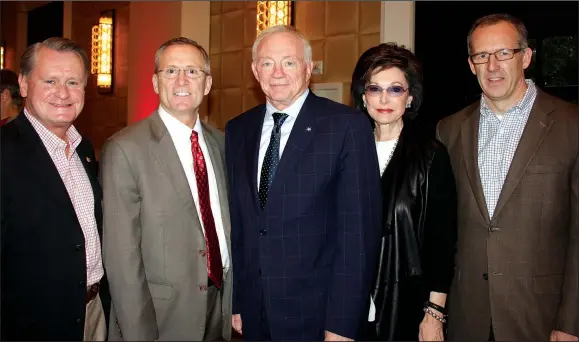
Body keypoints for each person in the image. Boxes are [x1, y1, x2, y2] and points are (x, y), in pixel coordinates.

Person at [225, 25, 383, 341]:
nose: (278, 73)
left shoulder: (346, 126)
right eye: (267, 63)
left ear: (308, 69)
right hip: (255, 313)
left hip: (317, 314)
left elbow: (359, 236)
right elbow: (242, 227)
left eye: (290, 62)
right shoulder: (238, 130)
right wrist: (239, 301)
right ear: (256, 71)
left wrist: (341, 324)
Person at [436, 13, 578, 341]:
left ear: (526, 57)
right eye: (482, 56)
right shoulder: (449, 129)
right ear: (471, 64)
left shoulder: (571, 125)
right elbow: (442, 230)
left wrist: (572, 321)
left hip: (540, 317)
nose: (492, 66)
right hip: (466, 316)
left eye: (504, 53)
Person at [100, 37, 232, 341]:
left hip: (218, 307)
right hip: (159, 317)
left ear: (208, 83)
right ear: (156, 83)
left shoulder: (222, 143)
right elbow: (122, 257)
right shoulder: (125, 148)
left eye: (193, 71)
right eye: (171, 71)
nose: (182, 80)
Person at [1, 37, 110, 341]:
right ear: (23, 85)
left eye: (73, 82)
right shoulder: (4, 152)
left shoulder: (84, 149)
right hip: (29, 324)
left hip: (93, 313)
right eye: (50, 80)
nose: (63, 93)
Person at [351, 43, 458, 341]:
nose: (384, 98)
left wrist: (434, 314)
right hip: (350, 306)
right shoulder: (347, 152)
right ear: (363, 96)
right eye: (374, 88)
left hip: (405, 304)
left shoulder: (431, 155)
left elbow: (443, 243)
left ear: (410, 97)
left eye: (395, 89)